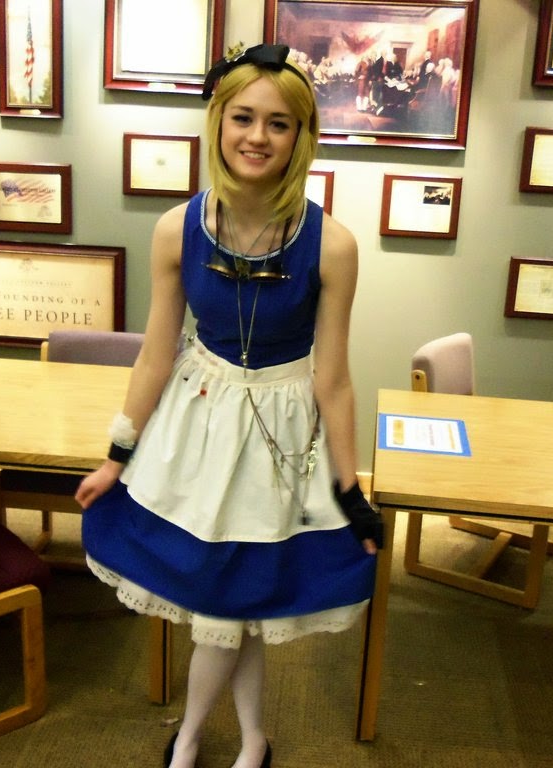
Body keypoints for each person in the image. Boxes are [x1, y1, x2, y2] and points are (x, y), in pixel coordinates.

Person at [75, 43, 382, 768]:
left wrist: (350, 487)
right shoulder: (174, 229)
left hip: (282, 431)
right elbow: (154, 354)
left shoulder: (333, 245)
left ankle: (199, 741)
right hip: (199, 421)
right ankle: (245, 742)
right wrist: (117, 454)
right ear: (218, 122)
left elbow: (335, 379)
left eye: (279, 123)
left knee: (236, 602)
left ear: (301, 136)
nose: (257, 136)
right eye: (243, 117)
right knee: (228, 602)